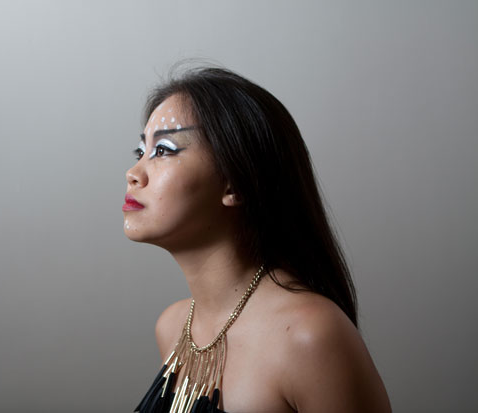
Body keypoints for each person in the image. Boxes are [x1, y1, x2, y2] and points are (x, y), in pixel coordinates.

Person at [123, 66, 391, 413]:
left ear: (234, 182)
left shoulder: (309, 335)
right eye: (140, 152)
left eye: (163, 150)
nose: (133, 174)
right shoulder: (173, 327)